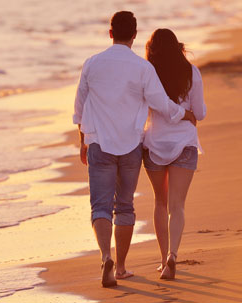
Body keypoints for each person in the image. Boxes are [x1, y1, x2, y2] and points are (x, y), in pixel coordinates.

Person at [73, 11, 196, 287]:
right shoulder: (142, 68)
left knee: (100, 206)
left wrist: (82, 140)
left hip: (99, 143)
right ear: (135, 35)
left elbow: (79, 107)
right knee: (124, 206)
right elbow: (160, 103)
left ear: (110, 33)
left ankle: (106, 256)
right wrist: (183, 114)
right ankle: (121, 267)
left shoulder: (92, 64)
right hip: (130, 145)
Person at [143, 28, 206, 280]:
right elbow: (199, 113)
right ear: (177, 46)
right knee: (177, 205)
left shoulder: (148, 74)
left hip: (155, 144)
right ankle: (173, 256)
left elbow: (143, 108)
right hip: (184, 143)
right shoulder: (192, 72)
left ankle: (161, 259)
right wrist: (186, 111)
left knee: (160, 202)